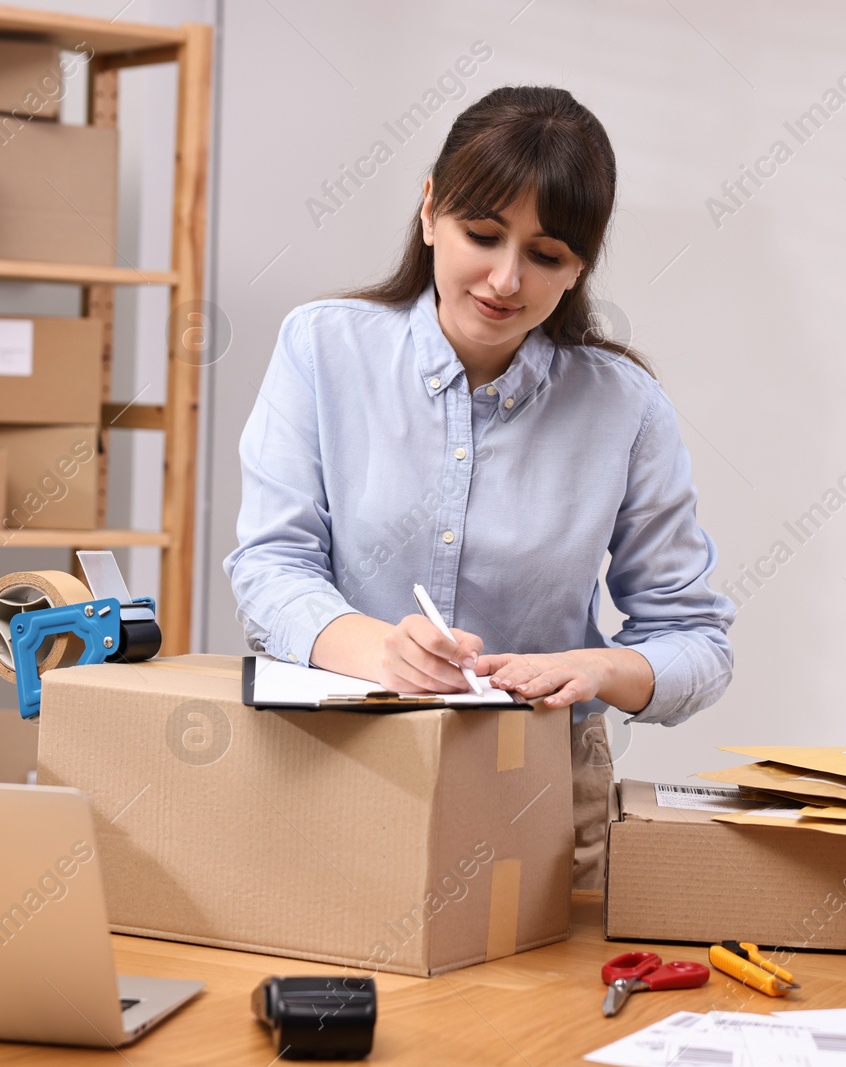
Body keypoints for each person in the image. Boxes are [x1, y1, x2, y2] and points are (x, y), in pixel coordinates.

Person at [223, 85, 734, 887]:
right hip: (343, 767)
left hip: (540, 791)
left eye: (546, 255)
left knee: (532, 1014)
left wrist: (596, 669)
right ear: (430, 210)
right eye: (483, 234)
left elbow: (697, 641)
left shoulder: (623, 407)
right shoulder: (323, 348)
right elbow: (269, 566)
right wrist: (378, 652)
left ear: (579, 268)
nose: (505, 279)